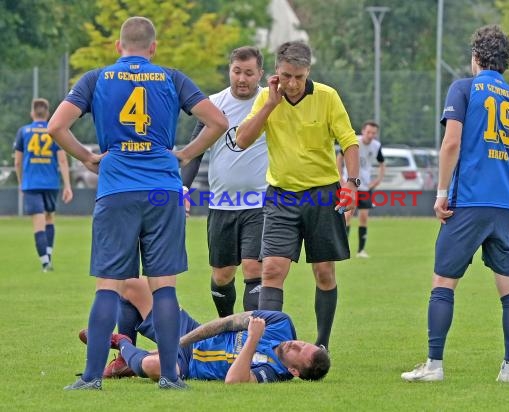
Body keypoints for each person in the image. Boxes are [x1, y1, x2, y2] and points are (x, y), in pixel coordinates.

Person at [47, 16, 228, 390]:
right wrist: (185, 153)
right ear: (153, 48)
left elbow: (56, 126)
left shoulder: (96, 78)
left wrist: (85, 157)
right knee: (163, 286)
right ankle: (169, 376)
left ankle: (92, 377)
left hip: (116, 190)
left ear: (118, 47)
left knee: (108, 286)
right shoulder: (171, 77)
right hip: (162, 189)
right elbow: (218, 121)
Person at [401, 25, 509, 383]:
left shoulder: (464, 88)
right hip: (507, 204)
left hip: (470, 201)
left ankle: (434, 366)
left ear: (476, 57)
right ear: (505, 62)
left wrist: (441, 193)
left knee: (443, 281)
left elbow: (451, 143)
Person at [235, 41, 359, 350]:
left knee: (324, 273)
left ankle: (322, 345)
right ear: (276, 72)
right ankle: (266, 348)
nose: (291, 84)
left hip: (323, 195)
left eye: (299, 77)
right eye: (286, 75)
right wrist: (269, 106)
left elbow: (349, 141)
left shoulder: (327, 97)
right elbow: (242, 140)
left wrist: (352, 184)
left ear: (308, 73)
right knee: (272, 270)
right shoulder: (266, 98)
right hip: (281, 196)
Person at [181, 46, 267, 317]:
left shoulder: (270, 101)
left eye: (249, 73)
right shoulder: (214, 104)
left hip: (261, 202)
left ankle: (251, 341)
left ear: (260, 74)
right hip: (222, 204)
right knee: (222, 275)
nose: (242, 78)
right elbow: (194, 152)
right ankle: (226, 326)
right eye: (237, 71)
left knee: (254, 268)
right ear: (229, 70)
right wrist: (183, 189)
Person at [78, 297, 331, 383]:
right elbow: (226, 322)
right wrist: (183, 339)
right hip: (191, 334)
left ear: (294, 371)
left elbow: (233, 380)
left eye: (300, 351)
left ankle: (123, 342)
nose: (296, 343)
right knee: (133, 287)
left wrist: (253, 339)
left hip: (190, 367)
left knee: (157, 367)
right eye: (304, 342)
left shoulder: (274, 373)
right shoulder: (281, 324)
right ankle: (127, 360)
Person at [13, 98, 73, 272]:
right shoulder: (54, 130)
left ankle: (45, 262)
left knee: (38, 222)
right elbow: (62, 160)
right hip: (51, 183)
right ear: (47, 113)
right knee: (49, 218)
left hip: (31, 184)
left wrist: (20, 182)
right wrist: (67, 185)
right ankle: (48, 256)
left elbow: (17, 162)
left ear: (32, 112)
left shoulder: (23, 131)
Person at [336, 120, 385, 258]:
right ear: (363, 131)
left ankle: (361, 250)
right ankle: (341, 248)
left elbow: (382, 164)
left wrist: (378, 180)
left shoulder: (376, 146)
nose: (370, 135)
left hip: (364, 186)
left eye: (373, 133)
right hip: (350, 184)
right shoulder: (354, 141)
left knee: (364, 217)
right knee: (347, 215)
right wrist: (340, 177)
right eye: (368, 132)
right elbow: (339, 158)